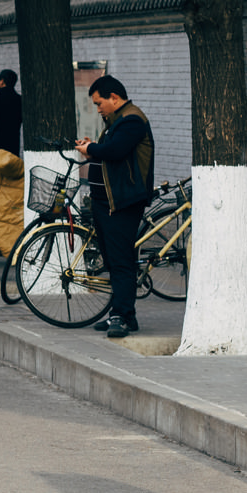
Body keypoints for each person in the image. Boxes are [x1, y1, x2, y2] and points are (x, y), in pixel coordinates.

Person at [77, 75, 155, 338]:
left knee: (121, 261)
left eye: (99, 103)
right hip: (106, 202)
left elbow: (115, 151)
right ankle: (124, 315)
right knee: (112, 259)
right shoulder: (115, 121)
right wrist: (92, 149)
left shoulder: (132, 120)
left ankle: (120, 315)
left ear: (114, 98)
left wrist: (93, 148)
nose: (97, 108)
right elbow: (108, 150)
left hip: (122, 202)